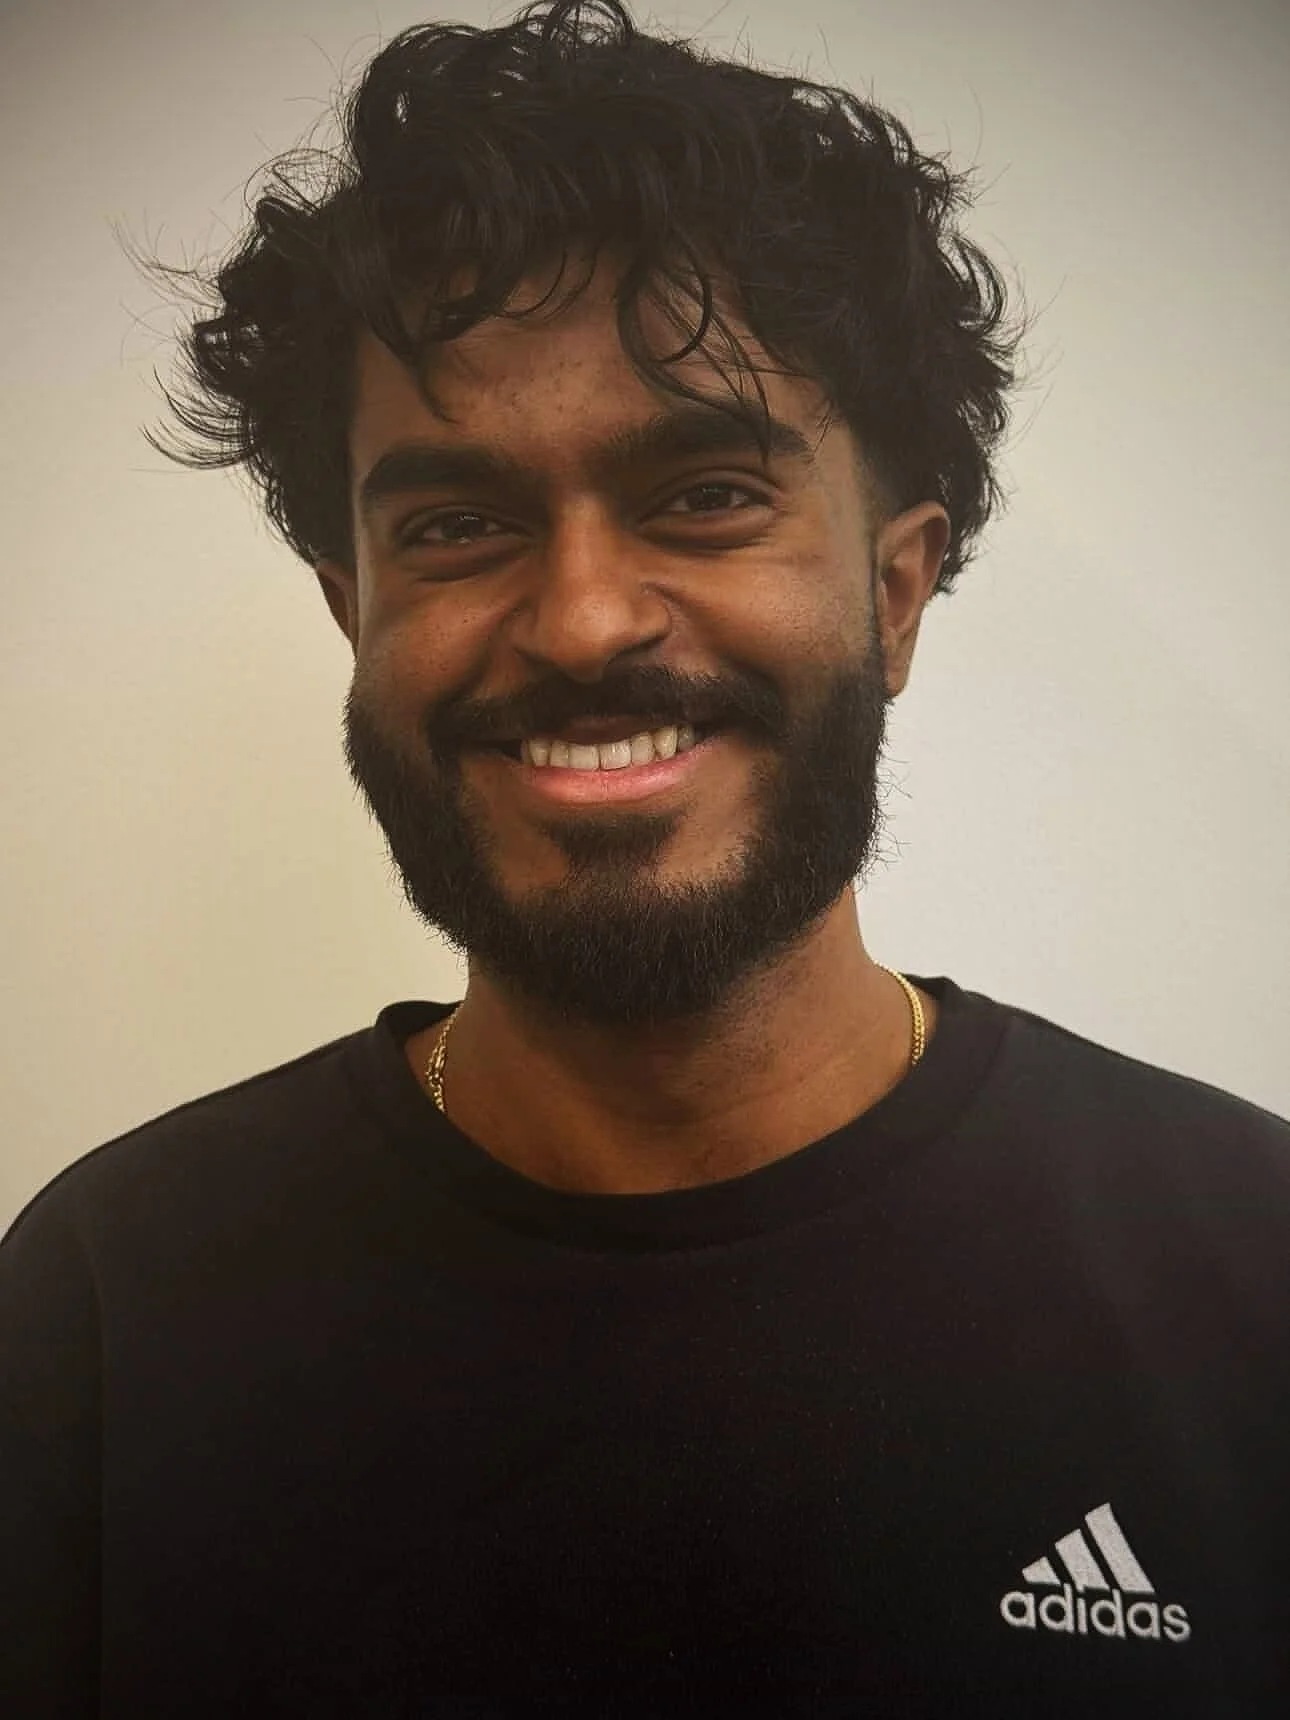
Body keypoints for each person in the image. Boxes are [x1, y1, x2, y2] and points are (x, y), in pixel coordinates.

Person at [2, 1, 1287, 1712]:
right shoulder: (102, 1304)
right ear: (354, 612)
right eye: (455, 526)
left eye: (702, 494)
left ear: (893, 592)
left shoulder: (1246, 1274)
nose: (585, 619)